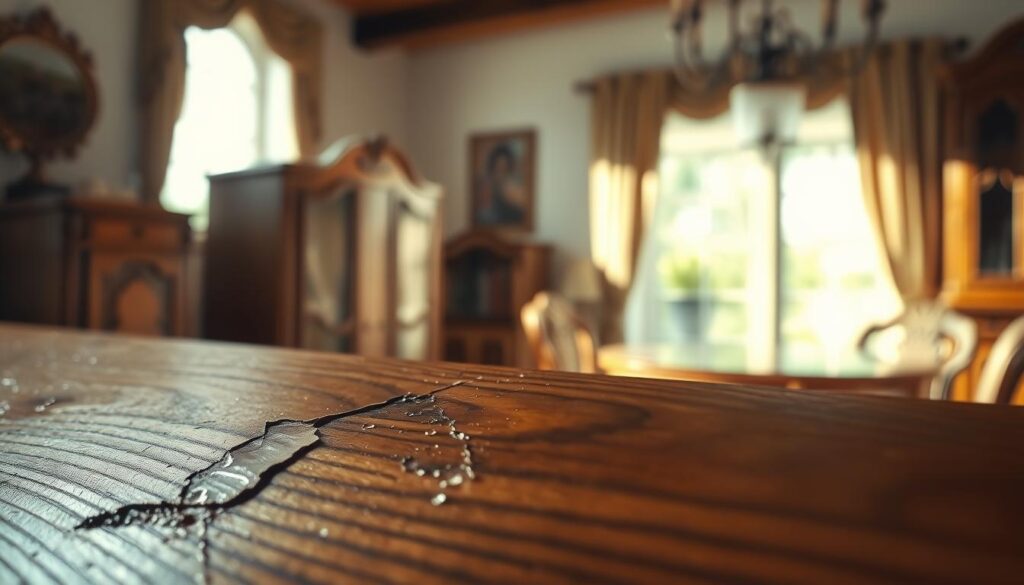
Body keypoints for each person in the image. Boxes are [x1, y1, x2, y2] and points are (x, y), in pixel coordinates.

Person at [476, 143, 526, 226]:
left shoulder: (511, 184)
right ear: (493, 166)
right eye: (499, 166)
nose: (501, 171)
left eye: (504, 167)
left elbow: (519, 205)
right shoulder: (486, 183)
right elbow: (484, 208)